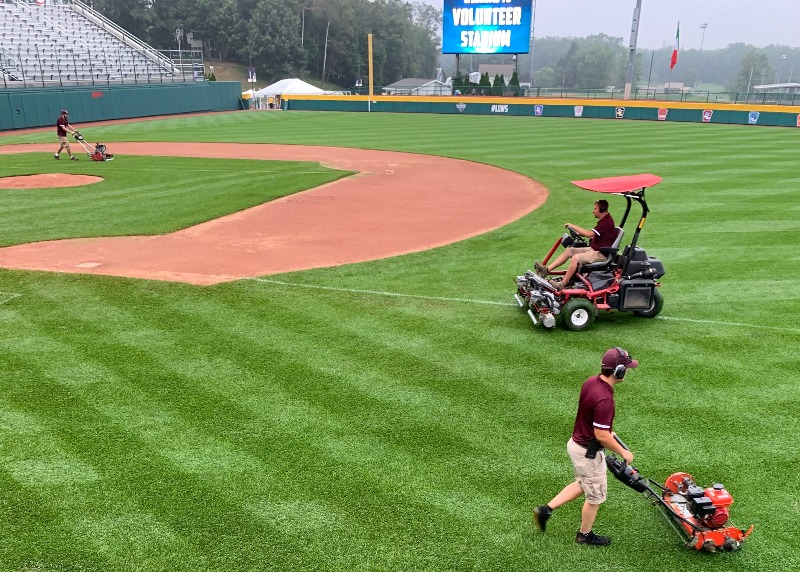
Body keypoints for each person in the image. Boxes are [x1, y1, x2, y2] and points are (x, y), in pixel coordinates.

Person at [532, 347, 637, 546]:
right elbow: (601, 435)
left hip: (576, 444)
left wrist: (607, 432)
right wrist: (622, 451)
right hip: (588, 453)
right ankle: (584, 535)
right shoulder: (606, 399)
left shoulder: (591, 382)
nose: (628, 371)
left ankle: (545, 510)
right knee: (595, 497)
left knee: (583, 483)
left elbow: (592, 418)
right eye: (627, 368)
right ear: (619, 371)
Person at [534, 199, 616, 289]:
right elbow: (592, 235)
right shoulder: (605, 220)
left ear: (602, 209)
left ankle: (563, 284)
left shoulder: (606, 222)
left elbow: (588, 234)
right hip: (593, 249)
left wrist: (572, 225)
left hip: (600, 254)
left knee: (575, 258)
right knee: (569, 250)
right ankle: (546, 270)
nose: (593, 211)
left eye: (595, 209)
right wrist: (577, 233)